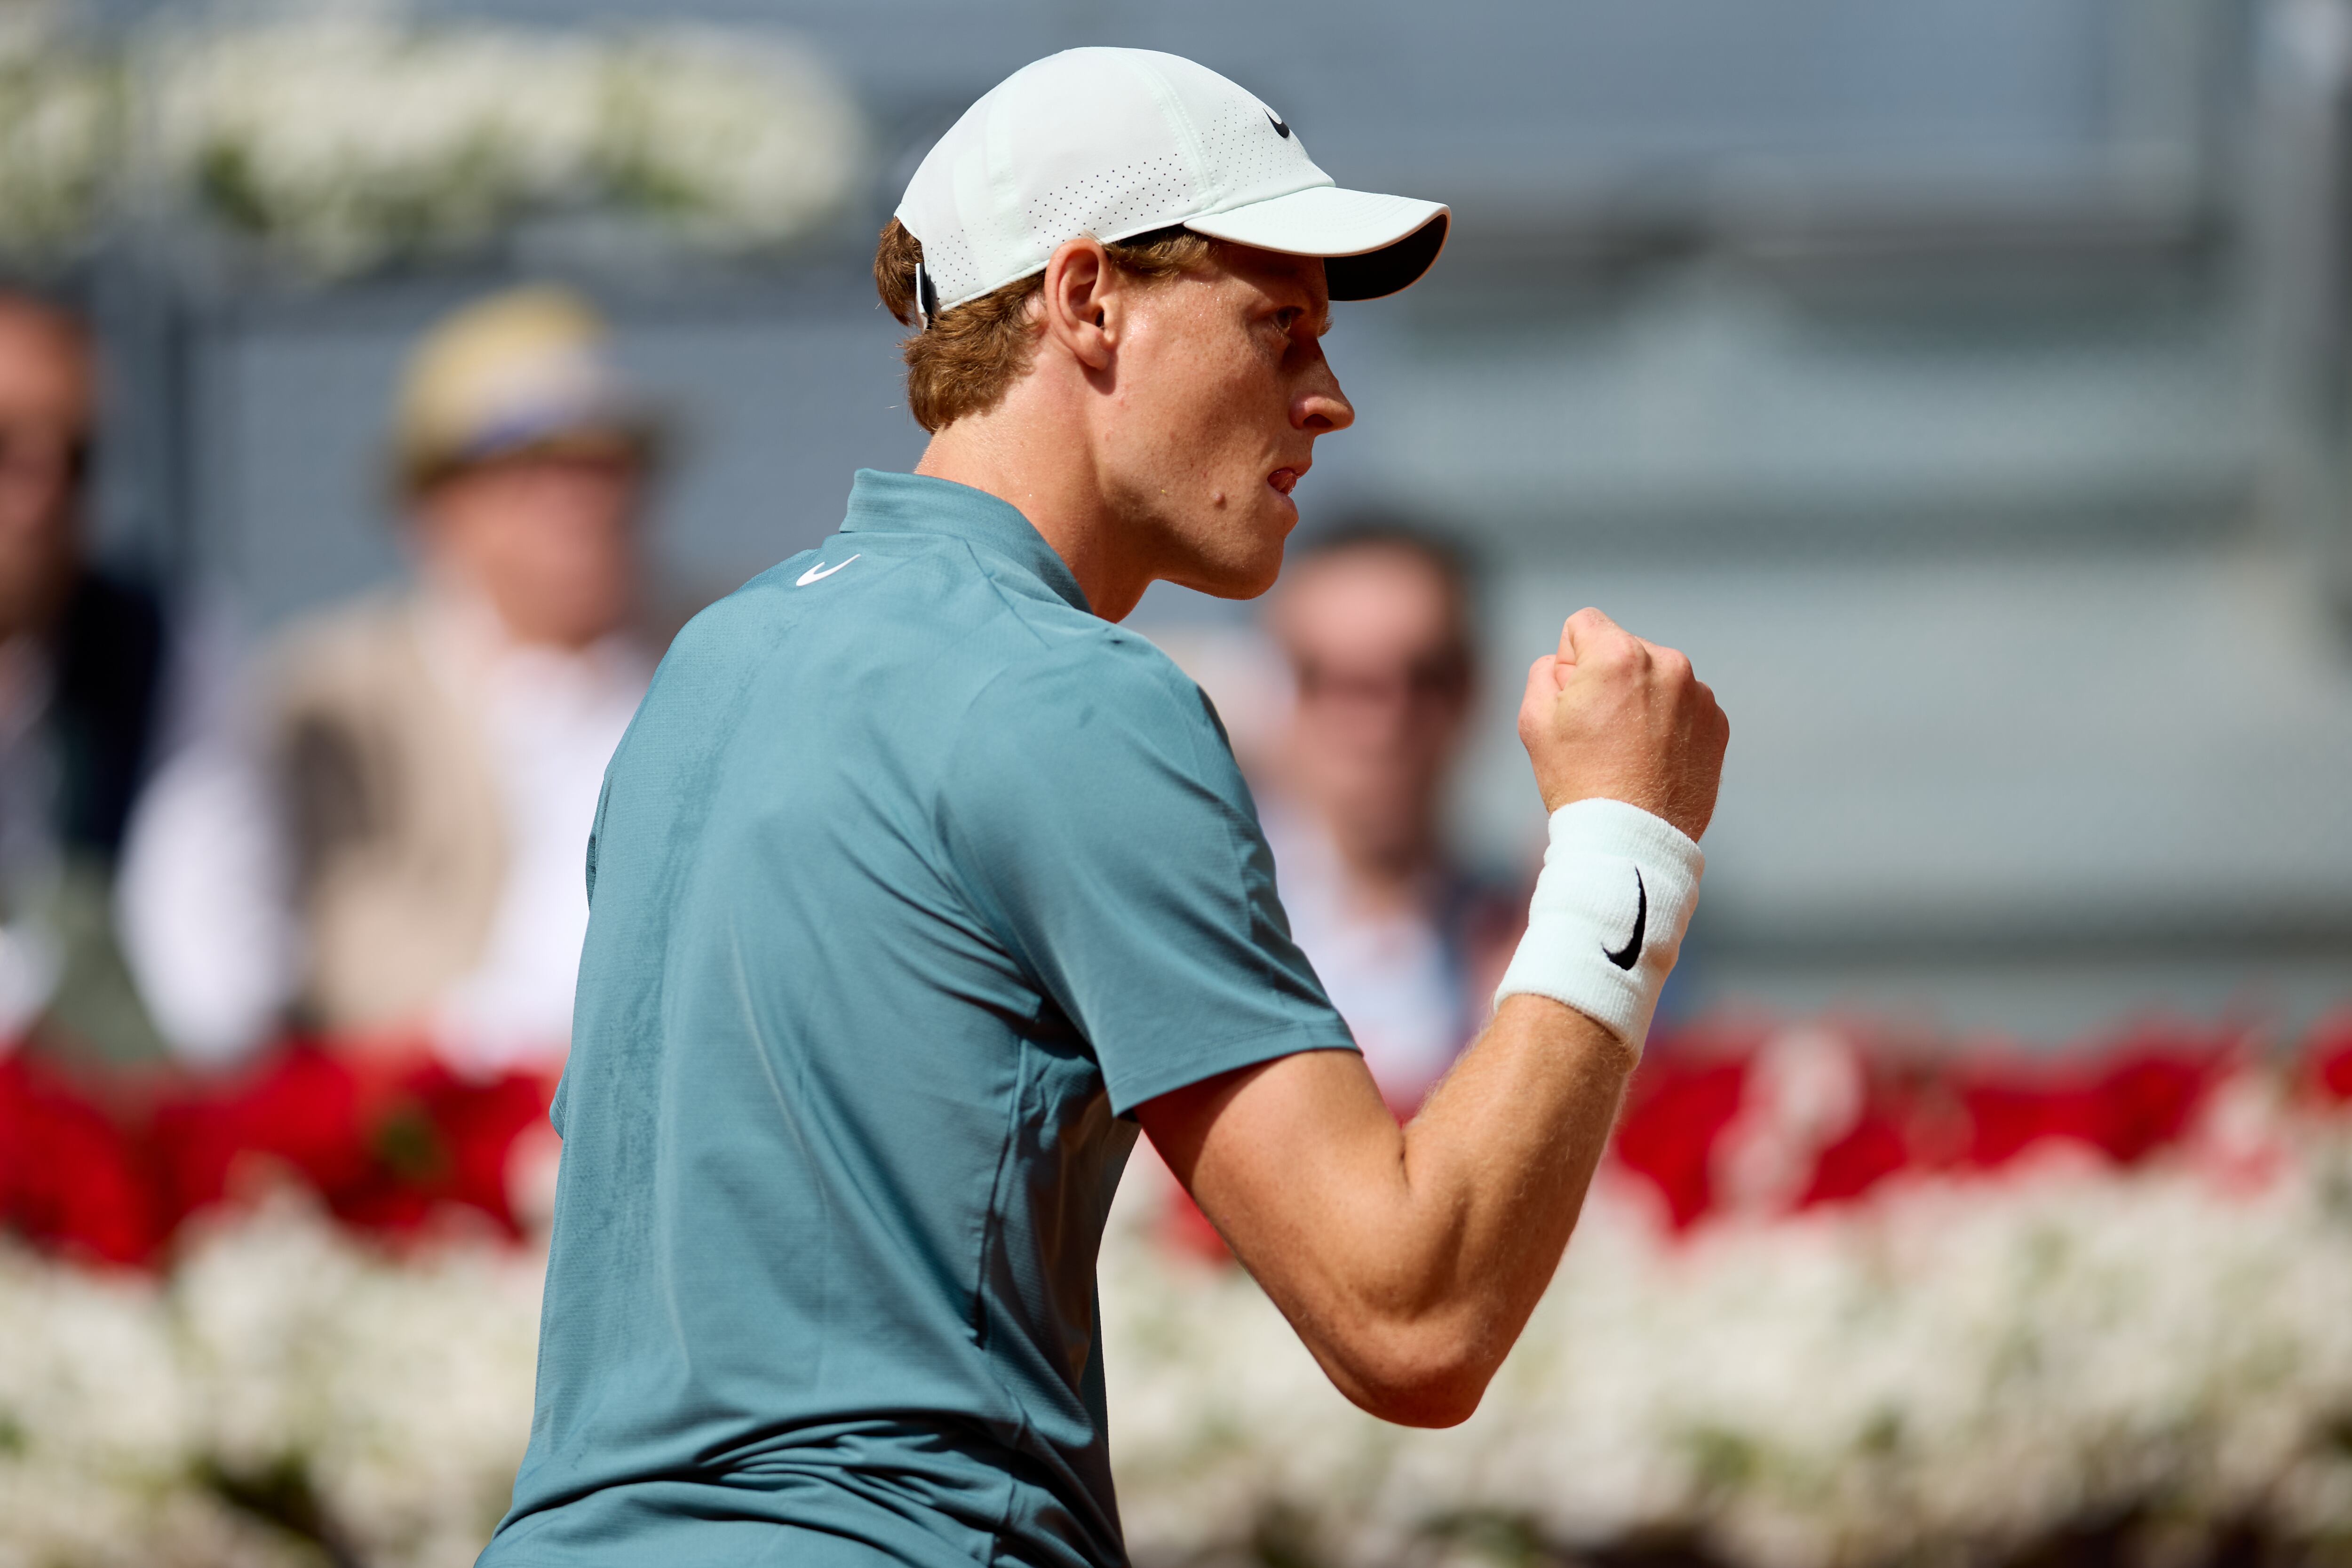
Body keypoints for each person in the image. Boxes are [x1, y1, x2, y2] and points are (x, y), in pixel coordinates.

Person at [485, 47, 1727, 1568]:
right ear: (1086, 302)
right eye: (1277, 328)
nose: (1326, 399)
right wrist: (1626, 846)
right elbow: (1413, 1314)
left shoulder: (708, 665)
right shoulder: (1077, 694)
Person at [119, 285, 658, 1076]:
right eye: (532, 468)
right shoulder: (322, 696)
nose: (581, 502)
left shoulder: (720, 660)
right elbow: (221, 945)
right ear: (434, 505)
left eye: (605, 464)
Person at [1257, 524, 1518, 1107]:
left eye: (1425, 678)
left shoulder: (1541, 934)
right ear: (1280, 693)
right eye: (1341, 683)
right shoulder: (1200, 925)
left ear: (1473, 690)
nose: (1384, 726)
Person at [0, 289, 188, 1068]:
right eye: (4, 446)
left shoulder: (157, 641)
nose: (42, 498)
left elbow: (214, 982)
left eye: (75, 458)